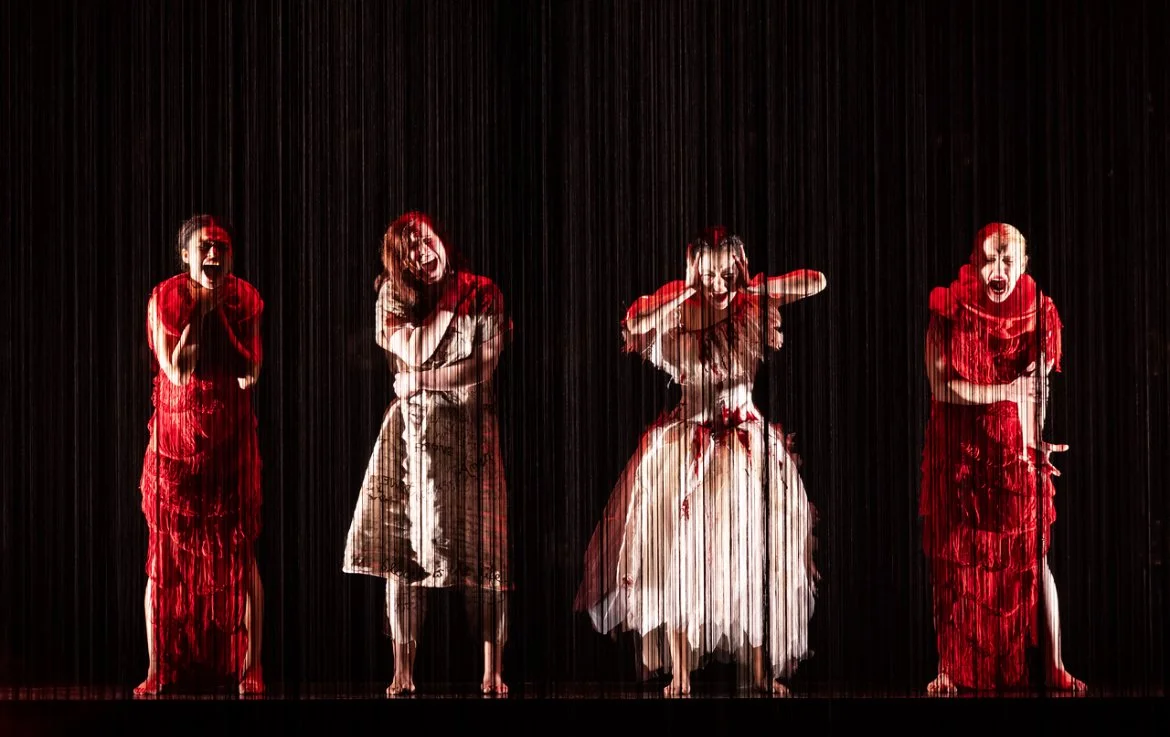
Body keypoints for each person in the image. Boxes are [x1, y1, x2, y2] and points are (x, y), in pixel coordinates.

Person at [575, 227, 825, 696]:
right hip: (688, 441)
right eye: (708, 274)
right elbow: (634, 320)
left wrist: (753, 286)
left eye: (726, 272)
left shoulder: (750, 305)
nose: (718, 283)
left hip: (744, 441)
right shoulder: (679, 311)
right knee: (679, 556)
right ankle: (681, 672)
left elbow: (816, 280)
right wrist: (683, 294)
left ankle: (757, 669)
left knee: (750, 554)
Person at [343, 212, 512, 696]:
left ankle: (492, 672)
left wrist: (420, 382)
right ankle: (402, 669)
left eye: (426, 239)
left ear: (442, 239)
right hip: (414, 435)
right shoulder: (392, 296)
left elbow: (485, 363)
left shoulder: (485, 291)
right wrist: (452, 301)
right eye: (409, 248)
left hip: (472, 430)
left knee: (486, 556)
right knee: (405, 553)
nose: (421, 251)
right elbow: (415, 348)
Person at [921, 222, 1085, 694]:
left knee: (1034, 559)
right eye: (989, 258)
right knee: (954, 564)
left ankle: (1054, 663)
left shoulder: (1039, 313)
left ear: (1024, 264)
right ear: (974, 262)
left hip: (1011, 454)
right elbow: (940, 387)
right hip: (958, 454)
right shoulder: (947, 309)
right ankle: (948, 668)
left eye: (1008, 260)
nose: (998, 269)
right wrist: (1004, 392)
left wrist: (1035, 441)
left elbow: (1039, 387)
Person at [135, 215, 265, 695]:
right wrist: (201, 313)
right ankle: (156, 668)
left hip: (229, 445)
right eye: (205, 247)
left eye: (222, 247)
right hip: (175, 446)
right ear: (185, 255)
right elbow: (177, 370)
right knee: (164, 557)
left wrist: (221, 316)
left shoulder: (245, 298)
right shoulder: (164, 298)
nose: (215, 255)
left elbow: (251, 373)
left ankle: (252, 667)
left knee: (240, 552)